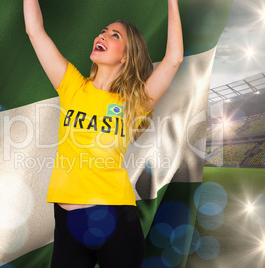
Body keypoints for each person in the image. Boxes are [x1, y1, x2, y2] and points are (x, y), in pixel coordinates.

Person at [24, 0, 183, 267]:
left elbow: (174, 59)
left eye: (114, 35)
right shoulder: (71, 85)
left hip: (116, 220)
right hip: (68, 224)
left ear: (125, 57)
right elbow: (35, 30)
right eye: (103, 31)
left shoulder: (134, 102)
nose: (102, 35)